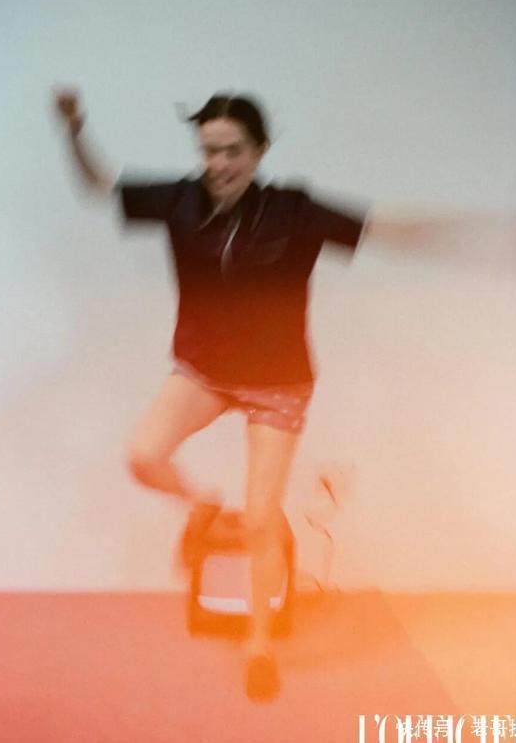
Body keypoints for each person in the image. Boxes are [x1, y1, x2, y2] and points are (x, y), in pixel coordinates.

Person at [53, 89, 366, 701]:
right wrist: (74, 128)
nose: (218, 164)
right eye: (208, 151)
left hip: (277, 382)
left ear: (260, 150)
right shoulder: (180, 201)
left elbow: (382, 228)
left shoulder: (293, 210)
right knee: (143, 456)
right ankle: (201, 506)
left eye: (232, 151)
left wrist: (460, 236)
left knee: (260, 520)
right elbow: (98, 184)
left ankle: (259, 645)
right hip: (205, 370)